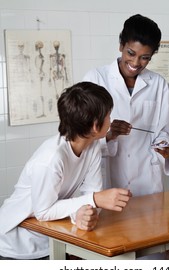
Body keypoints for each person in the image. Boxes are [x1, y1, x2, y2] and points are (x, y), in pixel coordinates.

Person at [0, 81, 131, 260]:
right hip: (16, 243)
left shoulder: (91, 147)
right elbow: (43, 211)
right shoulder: (51, 159)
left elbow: (91, 195)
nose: (111, 120)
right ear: (95, 125)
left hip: (51, 236)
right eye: (108, 115)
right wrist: (95, 200)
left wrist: (82, 214)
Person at [83, 14, 169, 198]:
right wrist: (109, 135)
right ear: (121, 46)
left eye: (145, 58)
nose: (135, 63)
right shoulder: (95, 79)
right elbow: (82, 137)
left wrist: (164, 146)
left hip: (148, 180)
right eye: (131, 53)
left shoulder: (158, 83)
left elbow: (165, 129)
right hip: (107, 178)